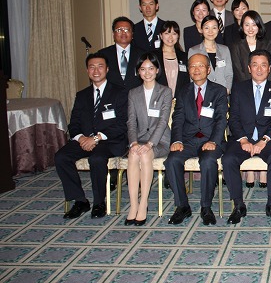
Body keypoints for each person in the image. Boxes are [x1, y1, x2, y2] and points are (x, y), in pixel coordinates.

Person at [55, 52, 128, 219]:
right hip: (84, 139)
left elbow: (122, 123)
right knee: (61, 157)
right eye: (92, 67)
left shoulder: (120, 92)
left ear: (107, 69)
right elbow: (73, 123)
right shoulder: (82, 95)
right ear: (87, 71)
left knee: (97, 159)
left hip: (109, 141)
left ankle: (99, 202)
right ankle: (80, 200)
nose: (96, 70)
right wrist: (81, 138)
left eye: (100, 66)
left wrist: (96, 138)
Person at [223, 49, 271, 224]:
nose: (259, 69)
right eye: (255, 65)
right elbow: (233, 118)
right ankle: (238, 205)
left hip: (269, 139)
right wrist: (243, 139)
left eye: (263, 65)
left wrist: (264, 140)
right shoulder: (239, 88)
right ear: (249, 68)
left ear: (269, 68)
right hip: (244, 138)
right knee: (228, 159)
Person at [164, 53, 228, 225]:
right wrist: (176, 140)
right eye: (192, 66)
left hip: (211, 139)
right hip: (188, 141)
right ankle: (182, 206)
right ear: (188, 70)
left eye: (200, 65)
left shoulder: (219, 91)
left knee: (208, 161)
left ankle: (206, 207)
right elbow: (178, 119)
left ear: (208, 69)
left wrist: (213, 140)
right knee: (171, 161)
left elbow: (221, 119)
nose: (196, 69)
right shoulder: (183, 91)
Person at [125, 52, 172, 226]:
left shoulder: (165, 91)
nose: (147, 72)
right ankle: (133, 204)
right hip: (139, 139)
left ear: (157, 70)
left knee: (145, 155)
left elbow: (163, 121)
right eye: (143, 69)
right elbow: (131, 121)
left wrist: (150, 144)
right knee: (133, 154)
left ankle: (143, 203)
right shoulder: (133, 93)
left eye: (151, 68)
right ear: (138, 71)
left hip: (160, 140)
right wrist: (133, 142)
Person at [188, 15, 234, 93]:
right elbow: (192, 75)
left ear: (218, 29)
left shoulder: (225, 49)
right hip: (203, 93)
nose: (210, 31)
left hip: (222, 92)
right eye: (207, 28)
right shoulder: (193, 51)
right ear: (201, 30)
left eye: (214, 28)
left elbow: (229, 73)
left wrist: (227, 89)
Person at [98, 16, 143, 91]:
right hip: (111, 96)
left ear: (132, 34)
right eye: (119, 30)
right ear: (113, 34)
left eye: (127, 30)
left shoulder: (142, 54)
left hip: (136, 95)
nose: (123, 33)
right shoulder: (103, 54)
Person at [230, 10, 271, 82]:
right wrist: (250, 85)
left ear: (259, 26)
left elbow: (270, 67)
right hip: (243, 85)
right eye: (247, 25)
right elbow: (237, 71)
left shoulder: (267, 44)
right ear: (242, 26)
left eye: (254, 25)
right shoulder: (236, 46)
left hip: (265, 84)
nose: (250, 28)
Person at [155, 21, 188, 98]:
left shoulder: (184, 56)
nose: (170, 37)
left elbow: (186, 81)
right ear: (161, 36)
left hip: (180, 99)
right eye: (167, 33)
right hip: (159, 98)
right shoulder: (154, 56)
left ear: (178, 36)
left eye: (174, 34)